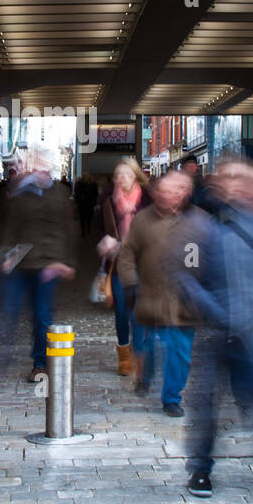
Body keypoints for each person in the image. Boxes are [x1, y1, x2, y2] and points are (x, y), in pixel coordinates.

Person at [174, 162, 253, 498]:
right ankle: (200, 469)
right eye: (229, 178)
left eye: (241, 179)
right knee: (206, 406)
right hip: (218, 333)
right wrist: (218, 312)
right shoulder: (200, 226)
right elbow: (186, 277)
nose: (236, 186)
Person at [116, 169, 209, 416]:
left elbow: (211, 260)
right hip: (150, 296)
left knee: (179, 350)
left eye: (173, 191)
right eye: (162, 191)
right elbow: (126, 254)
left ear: (184, 193)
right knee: (149, 343)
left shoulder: (200, 222)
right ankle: (145, 373)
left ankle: (171, 397)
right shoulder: (143, 220)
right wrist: (129, 283)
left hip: (184, 302)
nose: (165, 196)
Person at [0, 154, 79, 381]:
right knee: (10, 308)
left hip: (49, 263)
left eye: (43, 165)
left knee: (42, 315)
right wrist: (5, 256)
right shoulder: (22, 192)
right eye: (36, 165)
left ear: (50, 169)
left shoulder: (60, 193)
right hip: (21, 260)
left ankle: (39, 363)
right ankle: (5, 351)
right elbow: (11, 227)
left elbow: (69, 229)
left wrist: (67, 262)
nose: (39, 169)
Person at [96, 159, 151, 376]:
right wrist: (104, 241)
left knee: (139, 312)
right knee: (121, 312)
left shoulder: (148, 200)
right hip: (118, 263)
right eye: (118, 175)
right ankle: (123, 353)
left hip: (144, 263)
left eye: (126, 174)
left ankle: (138, 354)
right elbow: (98, 229)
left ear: (136, 176)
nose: (122, 179)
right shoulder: (108, 201)